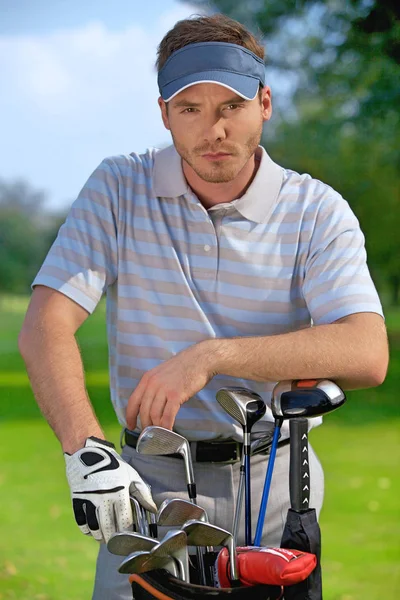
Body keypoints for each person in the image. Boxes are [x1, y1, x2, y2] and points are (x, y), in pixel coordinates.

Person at [19, 13, 388, 600]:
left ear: (264, 104)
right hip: (148, 488)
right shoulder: (118, 188)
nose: (212, 131)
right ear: (164, 113)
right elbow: (45, 327)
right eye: (190, 109)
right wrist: (87, 452)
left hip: (273, 481)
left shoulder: (316, 210)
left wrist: (211, 357)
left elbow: (367, 353)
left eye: (231, 107)